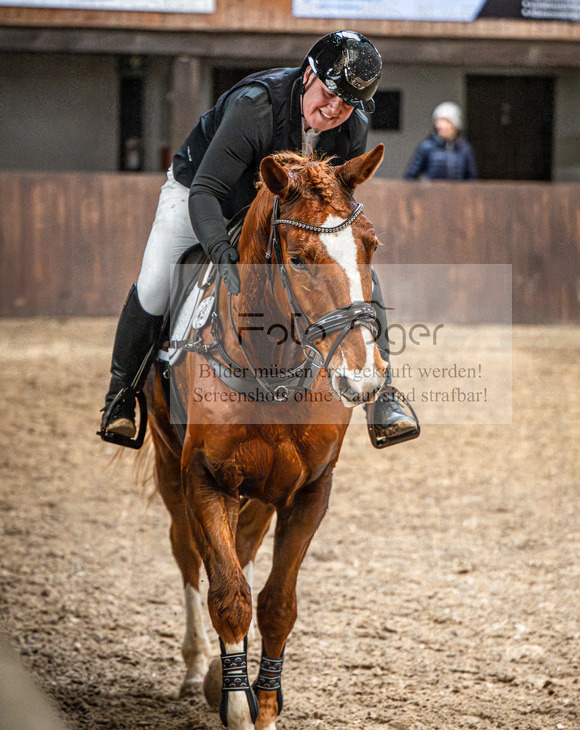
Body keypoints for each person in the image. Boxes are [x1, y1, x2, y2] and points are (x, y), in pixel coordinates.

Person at [100, 30, 419, 448]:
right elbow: (206, 192)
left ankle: (385, 397)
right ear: (307, 76)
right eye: (328, 94)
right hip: (206, 192)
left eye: (348, 103)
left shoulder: (351, 125)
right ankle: (121, 396)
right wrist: (221, 252)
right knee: (158, 281)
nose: (334, 109)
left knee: (357, 276)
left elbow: (332, 205)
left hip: (284, 211)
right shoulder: (256, 107)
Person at [404, 102, 477, 182]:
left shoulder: (464, 148)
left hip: (457, 194)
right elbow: (410, 176)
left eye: (446, 122)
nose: (440, 126)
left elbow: (472, 179)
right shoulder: (427, 146)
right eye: (438, 122)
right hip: (432, 193)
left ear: (455, 125)